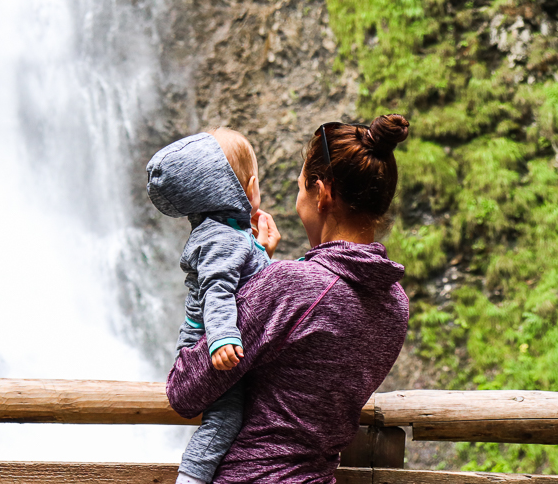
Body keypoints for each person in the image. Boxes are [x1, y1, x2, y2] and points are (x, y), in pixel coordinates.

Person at [166, 114, 412, 483]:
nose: (299, 202)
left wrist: (250, 279)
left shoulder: (288, 286)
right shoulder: (395, 303)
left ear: (322, 193)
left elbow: (185, 390)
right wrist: (257, 266)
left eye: (300, 188)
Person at [146, 127, 275, 484]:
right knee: (225, 418)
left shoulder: (225, 233)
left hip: (217, 339)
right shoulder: (224, 238)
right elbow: (218, 291)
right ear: (247, 189)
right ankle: (190, 478)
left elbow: (243, 282)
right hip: (210, 342)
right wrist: (220, 339)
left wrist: (263, 254)